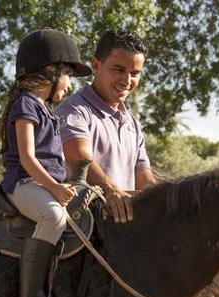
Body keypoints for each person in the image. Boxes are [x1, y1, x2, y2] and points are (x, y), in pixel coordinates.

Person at [0, 29, 91, 297]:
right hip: (24, 183)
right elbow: (27, 157)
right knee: (53, 217)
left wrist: (69, 184)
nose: (68, 85)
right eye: (67, 76)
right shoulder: (25, 105)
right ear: (50, 73)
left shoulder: (47, 110)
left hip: (43, 184)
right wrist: (54, 187)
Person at [57, 29, 156, 224]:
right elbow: (79, 158)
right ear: (95, 65)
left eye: (135, 73)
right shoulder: (74, 109)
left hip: (123, 229)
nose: (127, 81)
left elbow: (145, 182)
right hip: (82, 226)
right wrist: (111, 191)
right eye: (119, 69)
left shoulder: (132, 124)